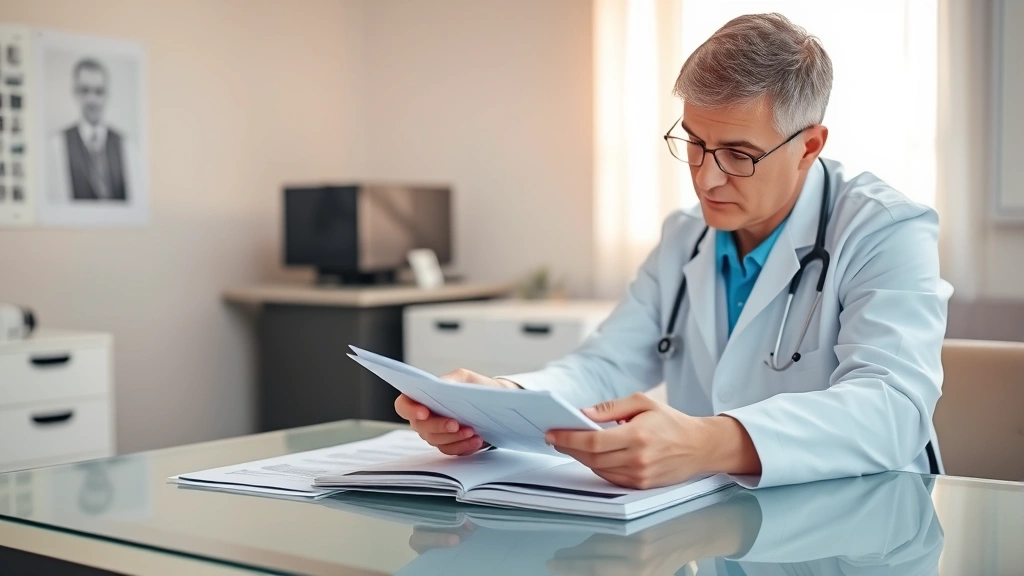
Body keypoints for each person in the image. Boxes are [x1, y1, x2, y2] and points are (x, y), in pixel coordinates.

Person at [395, 13, 952, 489]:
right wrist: (502, 399)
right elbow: (607, 364)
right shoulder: (686, 234)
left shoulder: (885, 229)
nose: (706, 178)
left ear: (808, 146)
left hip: (868, 522)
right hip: (722, 520)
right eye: (694, 142)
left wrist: (712, 440)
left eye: (738, 153)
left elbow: (894, 407)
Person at [49, 57, 136, 202]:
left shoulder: (126, 146)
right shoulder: (58, 144)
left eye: (98, 91)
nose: (92, 99)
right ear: (75, 92)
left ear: (107, 94)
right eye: (85, 90)